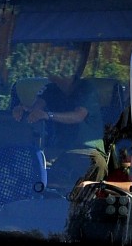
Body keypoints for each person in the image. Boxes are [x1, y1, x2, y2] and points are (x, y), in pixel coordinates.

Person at [12, 42, 106, 187]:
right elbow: (36, 109)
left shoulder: (86, 88)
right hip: (60, 153)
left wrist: (48, 115)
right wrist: (21, 109)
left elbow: (78, 116)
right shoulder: (50, 89)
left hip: (88, 153)